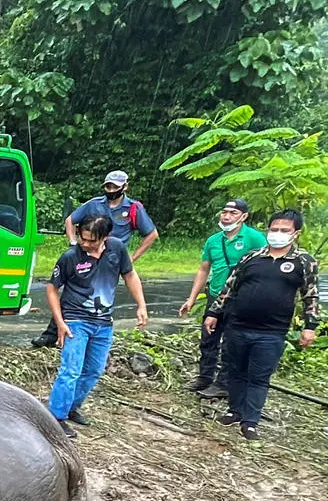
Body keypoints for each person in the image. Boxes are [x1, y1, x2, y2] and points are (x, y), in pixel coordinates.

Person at [204, 209, 319, 440]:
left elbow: (311, 296)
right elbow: (229, 288)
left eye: (284, 230)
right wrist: (214, 312)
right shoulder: (251, 257)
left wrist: (310, 326)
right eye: (274, 229)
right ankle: (234, 410)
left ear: (295, 233)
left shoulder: (303, 261)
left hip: (272, 332)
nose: (277, 234)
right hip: (238, 325)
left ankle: (250, 421)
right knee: (236, 371)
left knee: (259, 377)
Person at [46, 214, 149, 439]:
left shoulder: (117, 249)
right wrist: (60, 322)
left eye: (91, 240)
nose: (85, 244)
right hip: (75, 320)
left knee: (93, 370)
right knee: (71, 369)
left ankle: (71, 406)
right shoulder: (70, 257)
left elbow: (130, 275)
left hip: (103, 322)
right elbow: (52, 288)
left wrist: (141, 305)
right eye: (83, 238)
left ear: (106, 237)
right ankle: (55, 417)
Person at [33, 170, 159, 347]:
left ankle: (94, 337)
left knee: (101, 294)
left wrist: (132, 258)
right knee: (73, 293)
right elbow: (70, 220)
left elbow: (151, 234)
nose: (111, 189)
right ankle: (53, 332)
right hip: (86, 255)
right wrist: (74, 242)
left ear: (125, 187)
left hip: (112, 258)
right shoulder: (94, 204)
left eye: (115, 186)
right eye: (108, 186)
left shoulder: (133, 208)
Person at [179, 198, 267, 396]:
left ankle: (223, 384)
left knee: (231, 342)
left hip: (241, 299)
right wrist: (192, 298)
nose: (227, 217)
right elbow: (203, 269)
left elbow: (265, 266)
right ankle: (205, 377)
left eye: (233, 213)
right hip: (215, 294)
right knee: (208, 337)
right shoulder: (213, 240)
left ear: (244, 216)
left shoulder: (254, 238)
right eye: (224, 212)